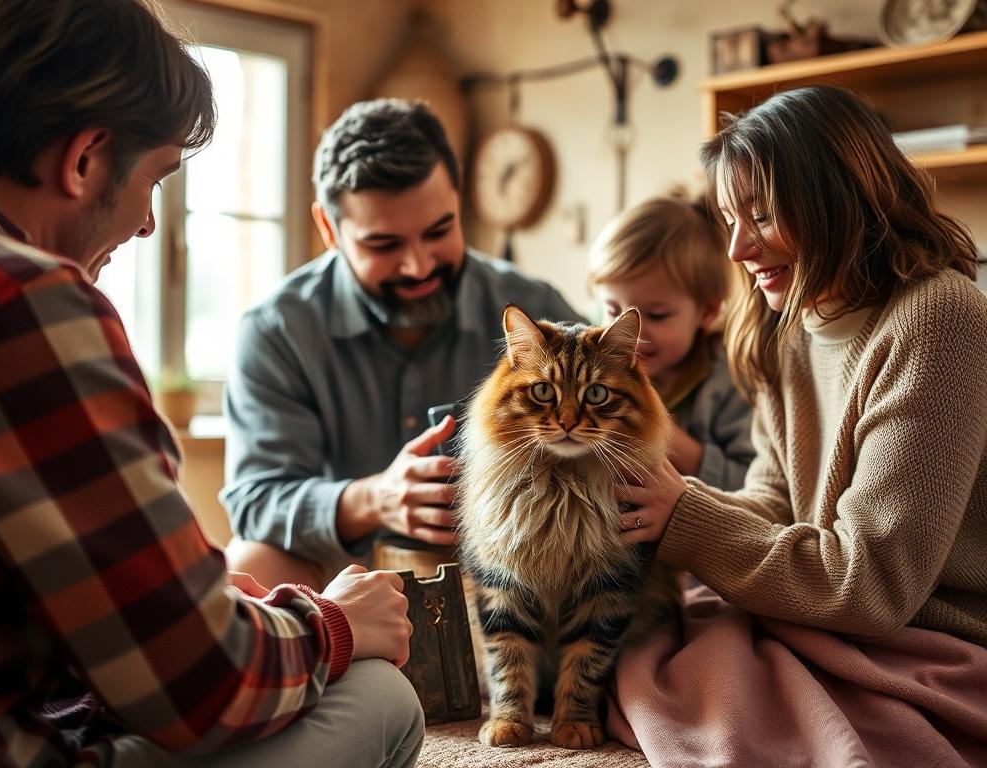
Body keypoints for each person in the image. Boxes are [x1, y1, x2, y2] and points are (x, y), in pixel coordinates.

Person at [0, 2, 421, 766]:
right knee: (381, 696)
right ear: (84, 160)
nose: (149, 225)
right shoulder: (22, 299)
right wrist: (334, 623)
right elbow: (205, 690)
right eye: (156, 178)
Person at [607, 84, 987, 767]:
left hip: (927, 634)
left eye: (763, 215)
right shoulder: (788, 329)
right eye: (728, 218)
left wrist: (687, 518)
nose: (736, 248)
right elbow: (774, 503)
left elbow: (873, 585)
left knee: (701, 693)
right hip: (829, 612)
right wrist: (653, 507)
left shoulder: (939, 318)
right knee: (643, 659)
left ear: (842, 199)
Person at [221, 98, 583, 589]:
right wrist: (377, 498)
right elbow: (256, 500)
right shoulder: (277, 330)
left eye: (439, 231)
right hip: (344, 572)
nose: (418, 266)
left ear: (458, 203)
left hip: (509, 567)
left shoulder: (531, 305)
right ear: (329, 230)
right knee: (245, 565)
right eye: (384, 245)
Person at [587, 190, 754, 490]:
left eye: (656, 315)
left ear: (707, 312)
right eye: (612, 310)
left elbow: (755, 485)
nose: (629, 333)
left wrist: (671, 441)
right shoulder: (594, 370)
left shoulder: (730, 380)